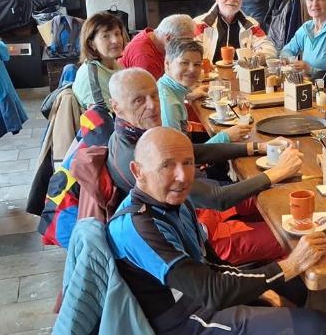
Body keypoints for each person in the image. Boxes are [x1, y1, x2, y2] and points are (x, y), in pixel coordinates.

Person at [107, 127, 326, 333]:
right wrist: (291, 265)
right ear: (137, 171)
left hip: (201, 294)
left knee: (294, 287)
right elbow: (211, 291)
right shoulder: (136, 227)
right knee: (317, 326)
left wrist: (263, 288)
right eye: (166, 165)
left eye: (188, 163)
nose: (182, 176)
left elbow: (210, 263)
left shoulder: (175, 200)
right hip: (182, 319)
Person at [106, 68, 301, 265]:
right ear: (116, 107)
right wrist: (277, 172)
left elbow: (196, 151)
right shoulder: (135, 159)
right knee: (296, 236)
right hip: (204, 235)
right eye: (139, 100)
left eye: (154, 95)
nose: (153, 105)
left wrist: (258, 147)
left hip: (201, 211)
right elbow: (217, 199)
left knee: (285, 195)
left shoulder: (130, 135)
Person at [159, 39, 249, 143]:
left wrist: (188, 95)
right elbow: (177, 152)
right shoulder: (169, 105)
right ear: (167, 64)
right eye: (184, 63)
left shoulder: (168, 88)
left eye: (197, 64)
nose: (192, 69)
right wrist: (226, 136)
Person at [194, 0, 277, 64]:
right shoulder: (200, 24)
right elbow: (190, 51)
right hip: (210, 71)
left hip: (242, 71)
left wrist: (259, 58)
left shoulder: (251, 25)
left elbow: (269, 48)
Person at [74, 12, 129, 109]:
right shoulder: (91, 77)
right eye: (105, 36)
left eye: (117, 34)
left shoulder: (114, 64)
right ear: (92, 44)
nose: (115, 40)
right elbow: (104, 116)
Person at [120, 14, 194, 79]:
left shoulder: (153, 35)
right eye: (185, 41)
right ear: (168, 38)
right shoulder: (146, 59)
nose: (187, 46)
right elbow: (150, 89)